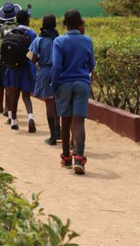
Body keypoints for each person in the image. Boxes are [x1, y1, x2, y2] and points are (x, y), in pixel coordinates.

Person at [52, 10, 95, 175]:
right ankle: (79, 158)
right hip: (82, 83)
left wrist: (54, 85)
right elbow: (91, 63)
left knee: (65, 121)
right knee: (79, 122)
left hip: (64, 83)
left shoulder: (59, 41)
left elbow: (56, 66)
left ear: (65, 23)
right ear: (80, 23)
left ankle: (66, 158)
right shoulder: (87, 40)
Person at [28, 14, 61, 145]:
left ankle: (52, 136)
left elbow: (32, 57)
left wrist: (39, 63)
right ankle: (59, 131)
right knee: (58, 102)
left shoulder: (39, 40)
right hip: (59, 72)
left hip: (45, 72)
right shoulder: (59, 39)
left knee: (49, 103)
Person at [3, 10, 37, 132]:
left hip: (13, 68)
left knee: (14, 95)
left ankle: (13, 121)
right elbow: (34, 53)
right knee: (26, 96)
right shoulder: (32, 34)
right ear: (27, 20)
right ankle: (30, 117)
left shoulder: (10, 32)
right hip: (26, 67)